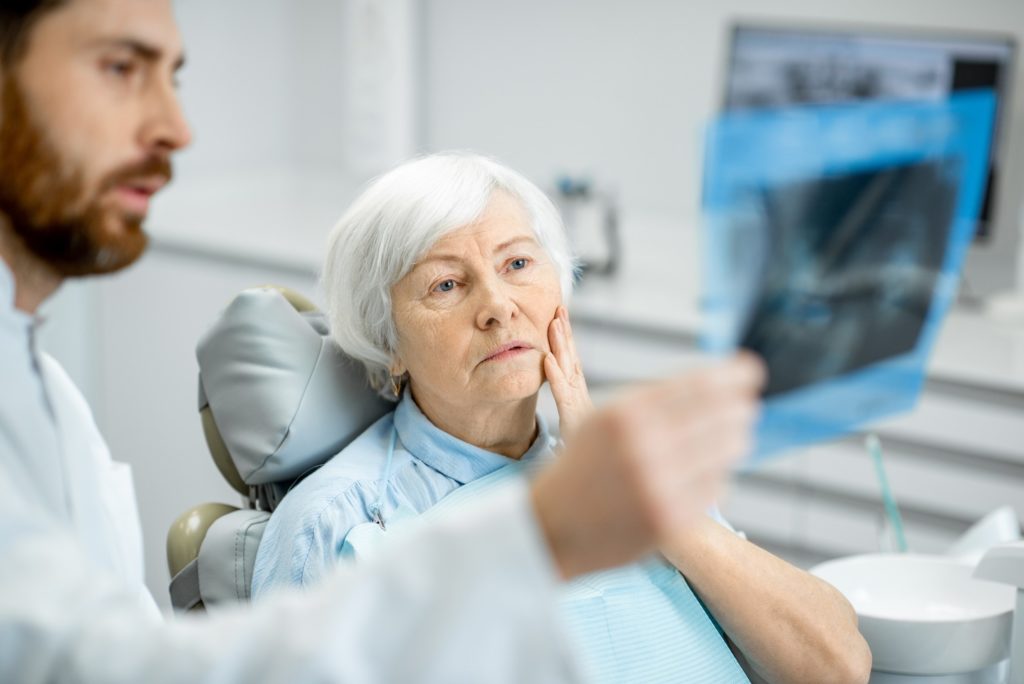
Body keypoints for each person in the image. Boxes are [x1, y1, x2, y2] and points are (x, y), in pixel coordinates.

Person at [0, 1, 771, 682]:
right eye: (119, 67)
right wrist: (538, 535)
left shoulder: (48, 396)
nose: (177, 127)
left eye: (519, 264)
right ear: (388, 342)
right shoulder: (348, 518)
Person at [251, 153, 872, 683]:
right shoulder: (336, 522)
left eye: (518, 265)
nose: (498, 306)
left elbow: (838, 665)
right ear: (389, 344)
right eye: (446, 285)